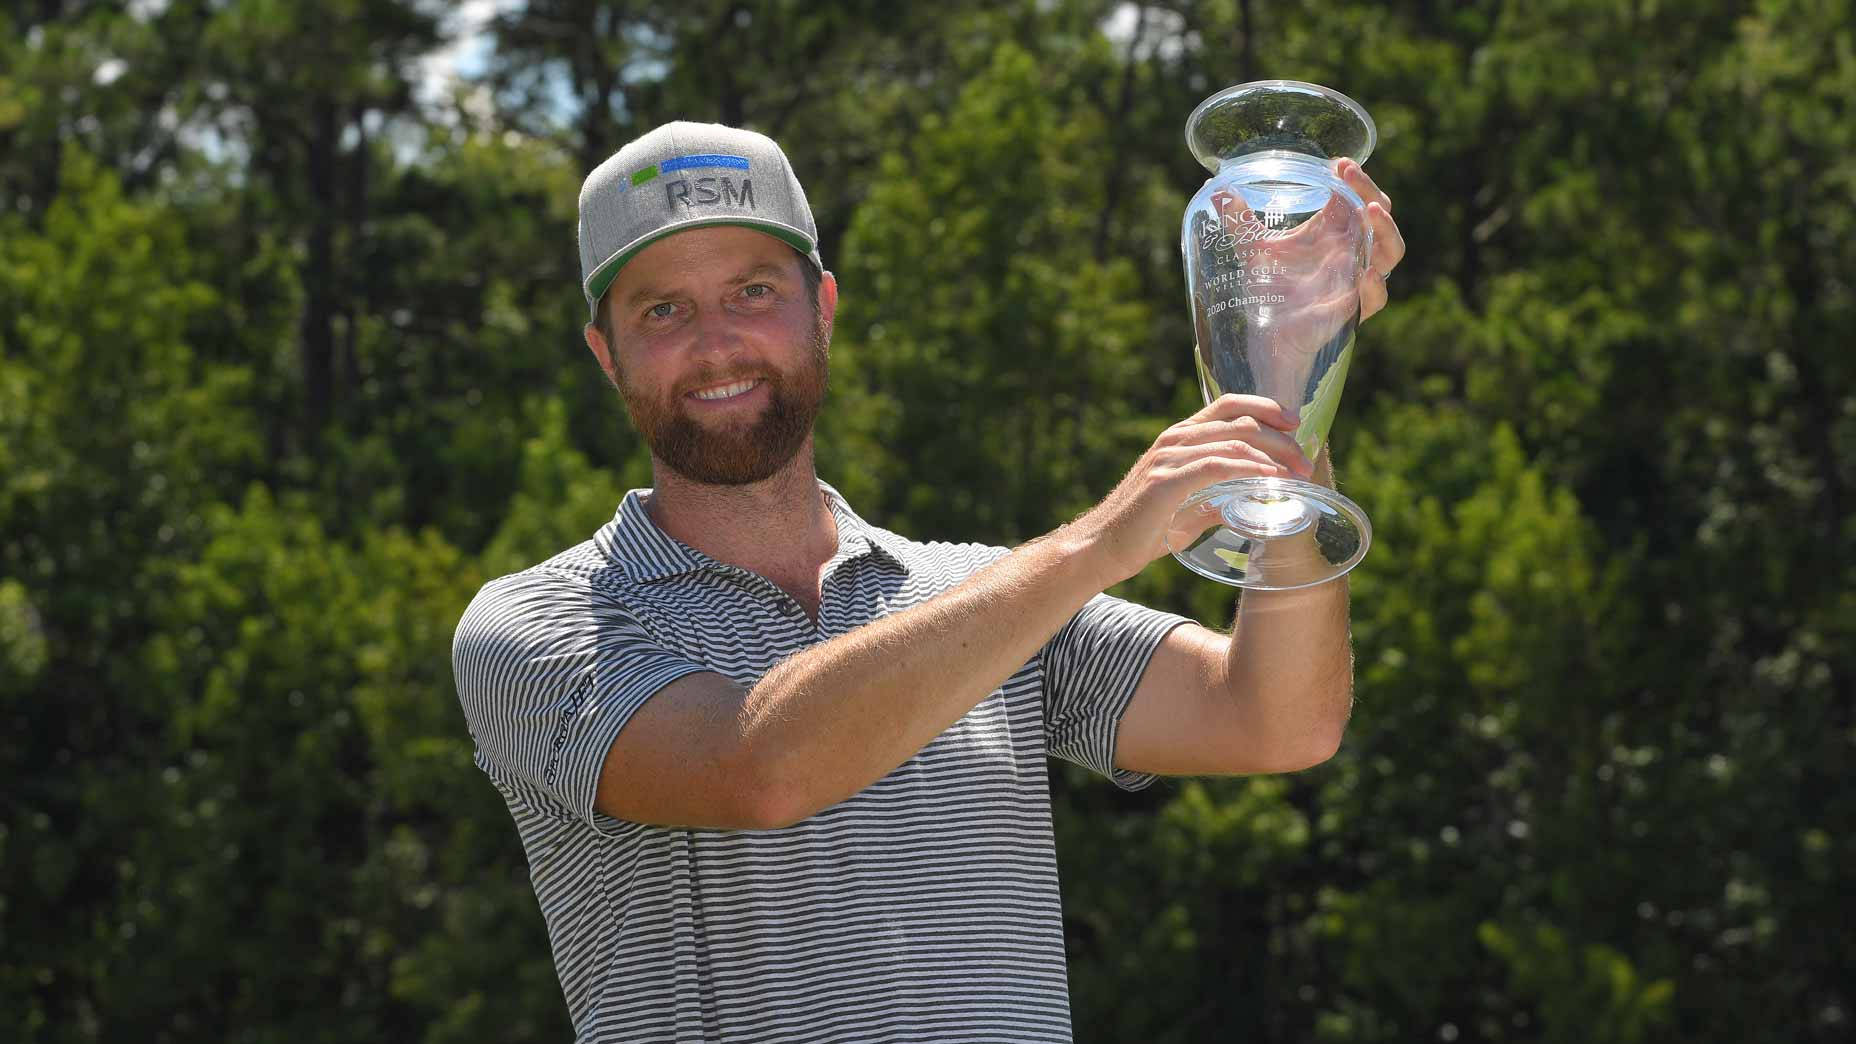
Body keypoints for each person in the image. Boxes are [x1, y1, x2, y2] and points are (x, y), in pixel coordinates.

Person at [452, 120, 1405, 1043]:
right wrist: (1097, 546)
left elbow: (1275, 719)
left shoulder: (980, 592)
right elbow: (760, 769)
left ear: (821, 307)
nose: (716, 344)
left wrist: (1290, 386)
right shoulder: (537, 624)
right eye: (663, 310)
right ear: (605, 353)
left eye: (751, 291)